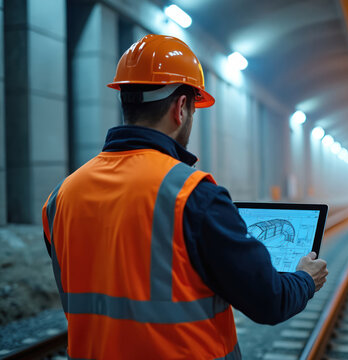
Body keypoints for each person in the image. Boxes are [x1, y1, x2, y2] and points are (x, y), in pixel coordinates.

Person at [41, 34, 328, 360]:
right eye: (193, 109)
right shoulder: (192, 195)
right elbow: (269, 300)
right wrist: (305, 278)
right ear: (181, 109)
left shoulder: (61, 197)